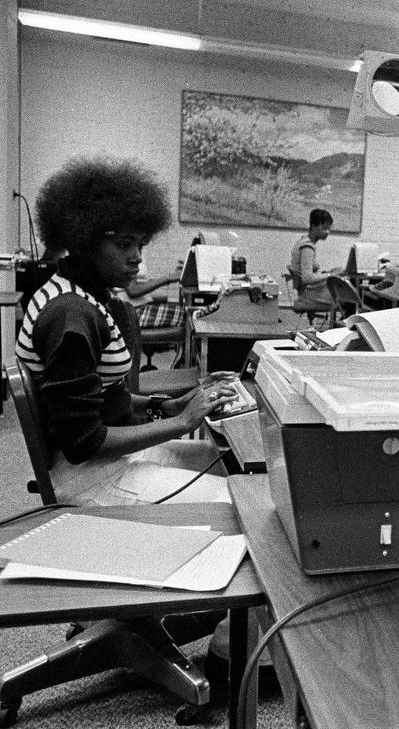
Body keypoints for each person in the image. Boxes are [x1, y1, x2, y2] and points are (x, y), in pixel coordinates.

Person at [16, 157, 237, 506]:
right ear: (84, 240)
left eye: (140, 245)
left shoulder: (82, 294)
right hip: (89, 476)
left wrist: (164, 404)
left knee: (230, 464)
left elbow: (98, 392)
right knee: (237, 499)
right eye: (123, 245)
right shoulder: (71, 316)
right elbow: (82, 441)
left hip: (109, 460)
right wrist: (183, 421)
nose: (136, 258)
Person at [288, 207, 339, 323]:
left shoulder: (303, 241)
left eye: (329, 229)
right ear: (314, 226)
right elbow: (307, 278)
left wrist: (328, 273)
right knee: (346, 299)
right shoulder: (307, 247)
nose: (328, 232)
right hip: (308, 294)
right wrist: (330, 275)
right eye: (325, 228)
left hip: (306, 290)